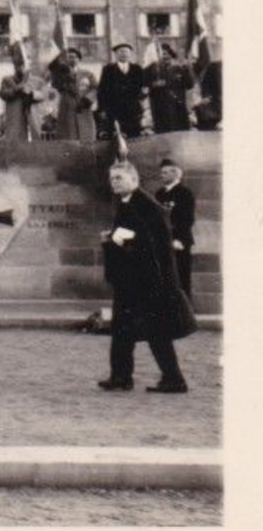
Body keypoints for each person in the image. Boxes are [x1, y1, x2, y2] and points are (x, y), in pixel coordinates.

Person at [97, 161, 197, 394]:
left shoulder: (147, 205)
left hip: (148, 282)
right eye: (112, 179)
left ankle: (174, 379)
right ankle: (121, 376)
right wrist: (113, 238)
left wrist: (119, 239)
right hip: (133, 280)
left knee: (156, 330)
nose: (115, 183)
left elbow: (155, 244)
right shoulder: (128, 202)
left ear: (134, 180)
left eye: (119, 178)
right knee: (123, 328)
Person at [155, 157, 197, 297]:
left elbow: (187, 219)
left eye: (166, 172)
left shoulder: (185, 193)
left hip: (179, 242)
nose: (162, 175)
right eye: (162, 172)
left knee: (181, 279)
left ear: (175, 174)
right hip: (164, 242)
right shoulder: (159, 194)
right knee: (165, 279)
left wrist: (179, 239)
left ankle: (186, 315)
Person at [97, 42, 147, 139]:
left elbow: (142, 88)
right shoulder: (108, 69)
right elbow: (102, 90)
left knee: (134, 135)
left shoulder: (137, 69)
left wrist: (141, 105)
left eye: (126, 52)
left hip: (132, 108)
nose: (124, 54)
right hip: (114, 108)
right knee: (116, 135)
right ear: (116, 54)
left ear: (130, 54)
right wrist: (102, 109)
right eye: (121, 52)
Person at [145, 44, 194, 134]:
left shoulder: (179, 69)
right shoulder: (153, 70)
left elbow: (189, 85)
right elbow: (145, 85)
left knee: (180, 134)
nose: (165, 57)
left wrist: (187, 68)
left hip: (178, 107)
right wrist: (154, 84)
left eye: (167, 54)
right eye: (162, 55)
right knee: (163, 134)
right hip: (161, 109)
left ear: (171, 56)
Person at [48, 48, 93, 141]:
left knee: (85, 134)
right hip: (67, 105)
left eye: (74, 57)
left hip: (83, 106)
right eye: (69, 57)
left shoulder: (87, 74)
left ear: (79, 59)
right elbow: (55, 86)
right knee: (68, 134)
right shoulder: (60, 73)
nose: (71, 59)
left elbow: (95, 88)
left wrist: (88, 99)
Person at [0, 66, 38, 142]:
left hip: (26, 115)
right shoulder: (7, 80)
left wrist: (30, 93)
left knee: (23, 136)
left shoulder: (31, 82)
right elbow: (2, 93)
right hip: (13, 113)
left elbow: (39, 96)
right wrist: (18, 88)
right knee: (13, 135)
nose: (21, 69)